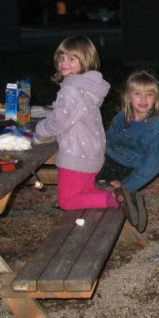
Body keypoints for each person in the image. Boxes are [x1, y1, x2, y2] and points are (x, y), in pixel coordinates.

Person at [33, 36, 140, 228]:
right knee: (85, 192)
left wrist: (40, 130)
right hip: (92, 152)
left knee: (67, 201)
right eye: (61, 57)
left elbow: (59, 121)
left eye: (71, 59)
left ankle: (115, 201)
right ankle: (121, 197)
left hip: (77, 155)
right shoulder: (87, 86)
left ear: (86, 60)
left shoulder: (72, 89)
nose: (64, 63)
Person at [97, 70, 159, 233]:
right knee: (83, 173)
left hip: (127, 168)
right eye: (138, 94)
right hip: (108, 159)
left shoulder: (156, 129)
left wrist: (128, 184)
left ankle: (125, 198)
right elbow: (107, 139)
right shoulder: (121, 117)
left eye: (149, 94)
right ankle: (127, 199)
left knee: (99, 187)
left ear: (156, 98)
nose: (143, 99)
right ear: (128, 97)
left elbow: (152, 164)